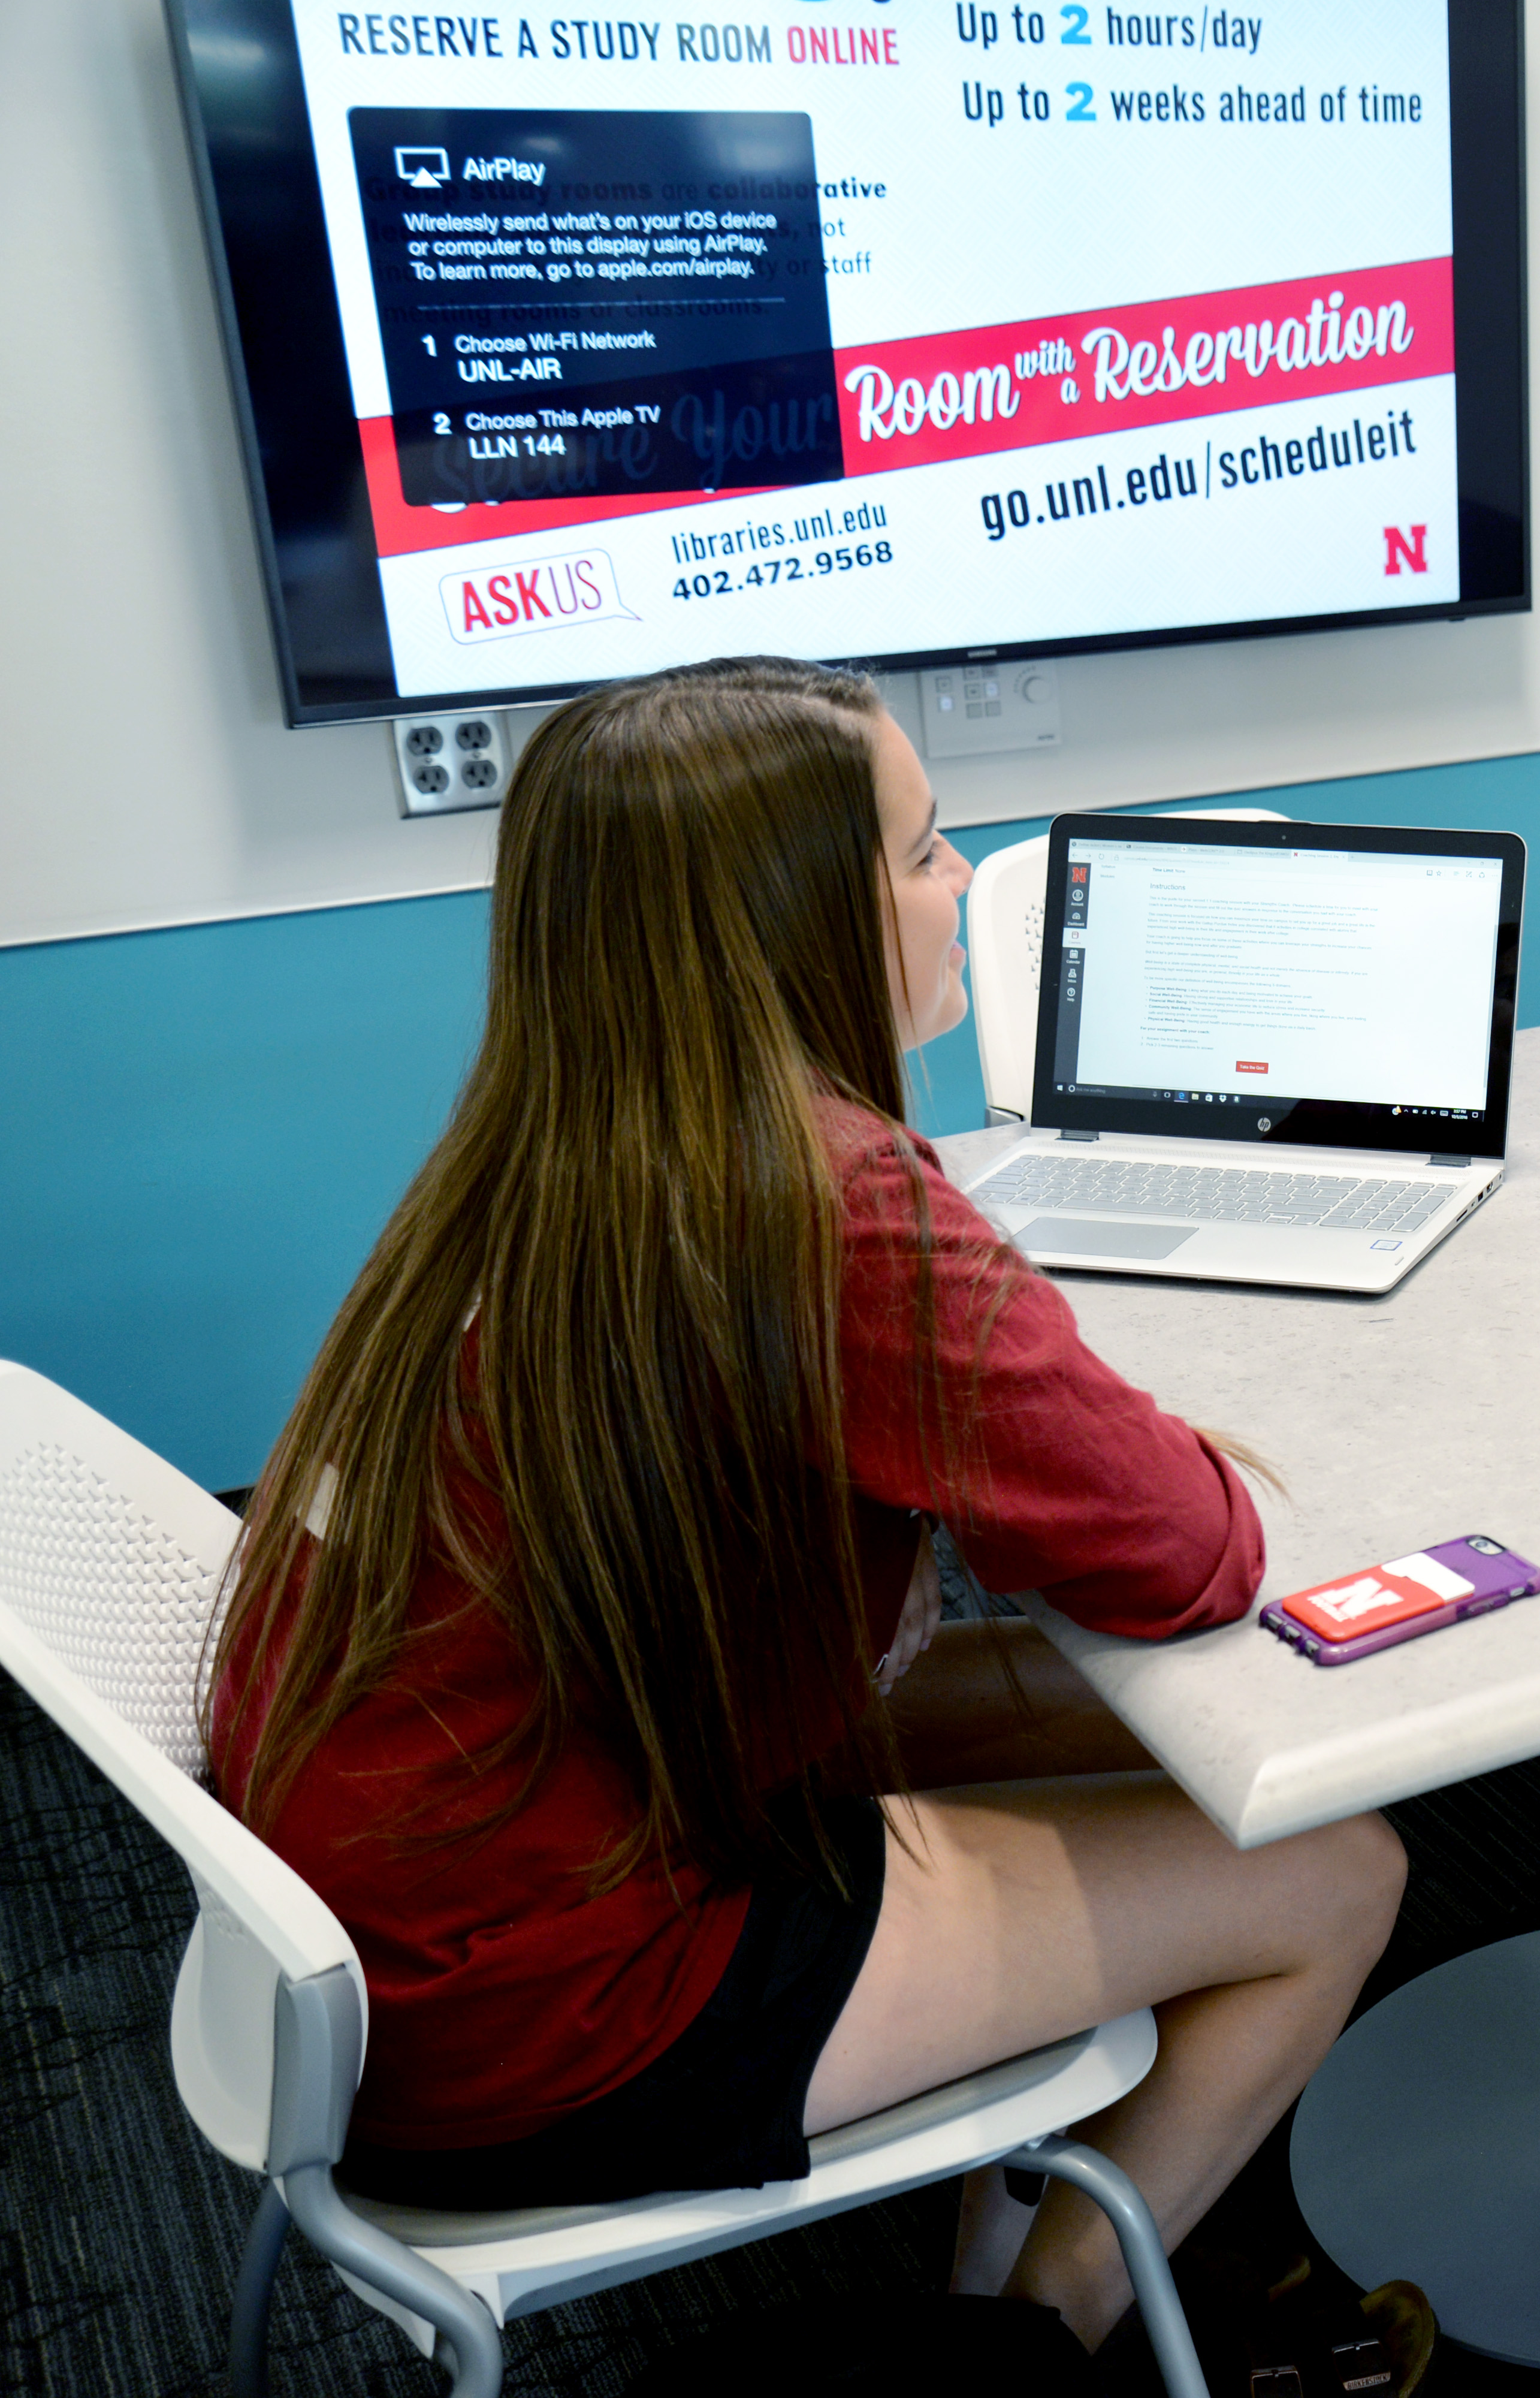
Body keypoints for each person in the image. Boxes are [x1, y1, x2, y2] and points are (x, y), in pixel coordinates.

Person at [209, 657, 1406, 2366]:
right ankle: (1034, 2347)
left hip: (396, 1925)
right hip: (547, 2008)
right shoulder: (822, 1207)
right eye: (925, 853)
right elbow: (1188, 1552)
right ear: (793, 921)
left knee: (1175, 1752)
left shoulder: (548, 1145)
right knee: (1337, 1872)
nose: (962, 882)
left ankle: (1035, 2216)